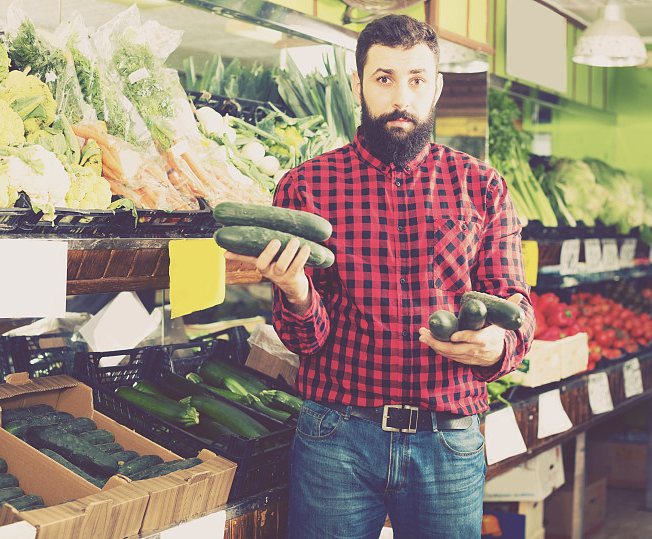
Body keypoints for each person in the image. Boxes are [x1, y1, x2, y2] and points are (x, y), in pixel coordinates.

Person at [223, 13, 535, 539]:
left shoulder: (483, 186)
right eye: (384, 78)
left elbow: (517, 304)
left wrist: (499, 344)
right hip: (338, 438)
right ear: (358, 85)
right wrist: (296, 291)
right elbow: (305, 339)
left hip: (449, 440)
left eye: (417, 79)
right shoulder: (307, 186)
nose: (401, 98)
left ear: (437, 87)